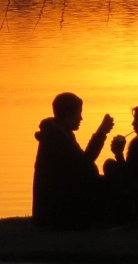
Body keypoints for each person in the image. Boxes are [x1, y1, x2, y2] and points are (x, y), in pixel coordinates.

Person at [32, 92, 114, 230]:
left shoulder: (62, 134)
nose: (81, 118)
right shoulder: (56, 139)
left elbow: (82, 163)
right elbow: (84, 164)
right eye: (79, 113)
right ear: (69, 114)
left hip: (58, 204)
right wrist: (101, 133)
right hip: (55, 212)